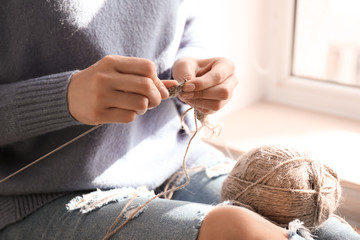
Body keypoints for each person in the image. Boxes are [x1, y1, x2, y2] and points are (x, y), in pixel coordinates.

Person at [0, 1, 358, 240]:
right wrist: (60, 97)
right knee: (238, 231)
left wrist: (193, 60)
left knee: (332, 233)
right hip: (35, 192)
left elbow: (184, 18)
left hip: (173, 160)